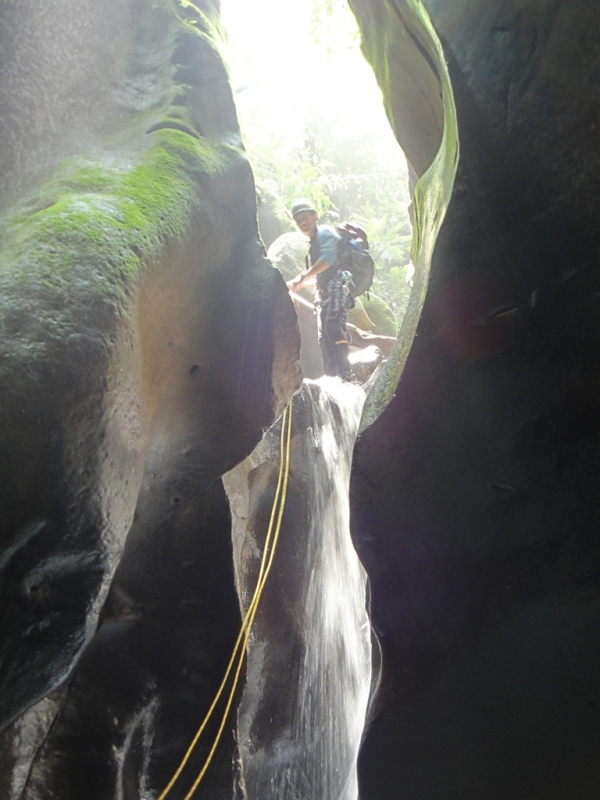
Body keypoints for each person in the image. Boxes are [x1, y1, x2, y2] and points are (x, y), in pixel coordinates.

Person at [287, 200, 352, 379]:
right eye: (298, 221)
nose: (303, 223)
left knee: (332, 327)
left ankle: (345, 374)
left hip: (337, 289)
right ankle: (332, 376)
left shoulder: (325, 232)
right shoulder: (314, 242)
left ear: (315, 216)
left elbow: (328, 259)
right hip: (325, 293)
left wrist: (302, 276)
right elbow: (322, 276)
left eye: (306, 217)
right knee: (323, 338)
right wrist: (297, 283)